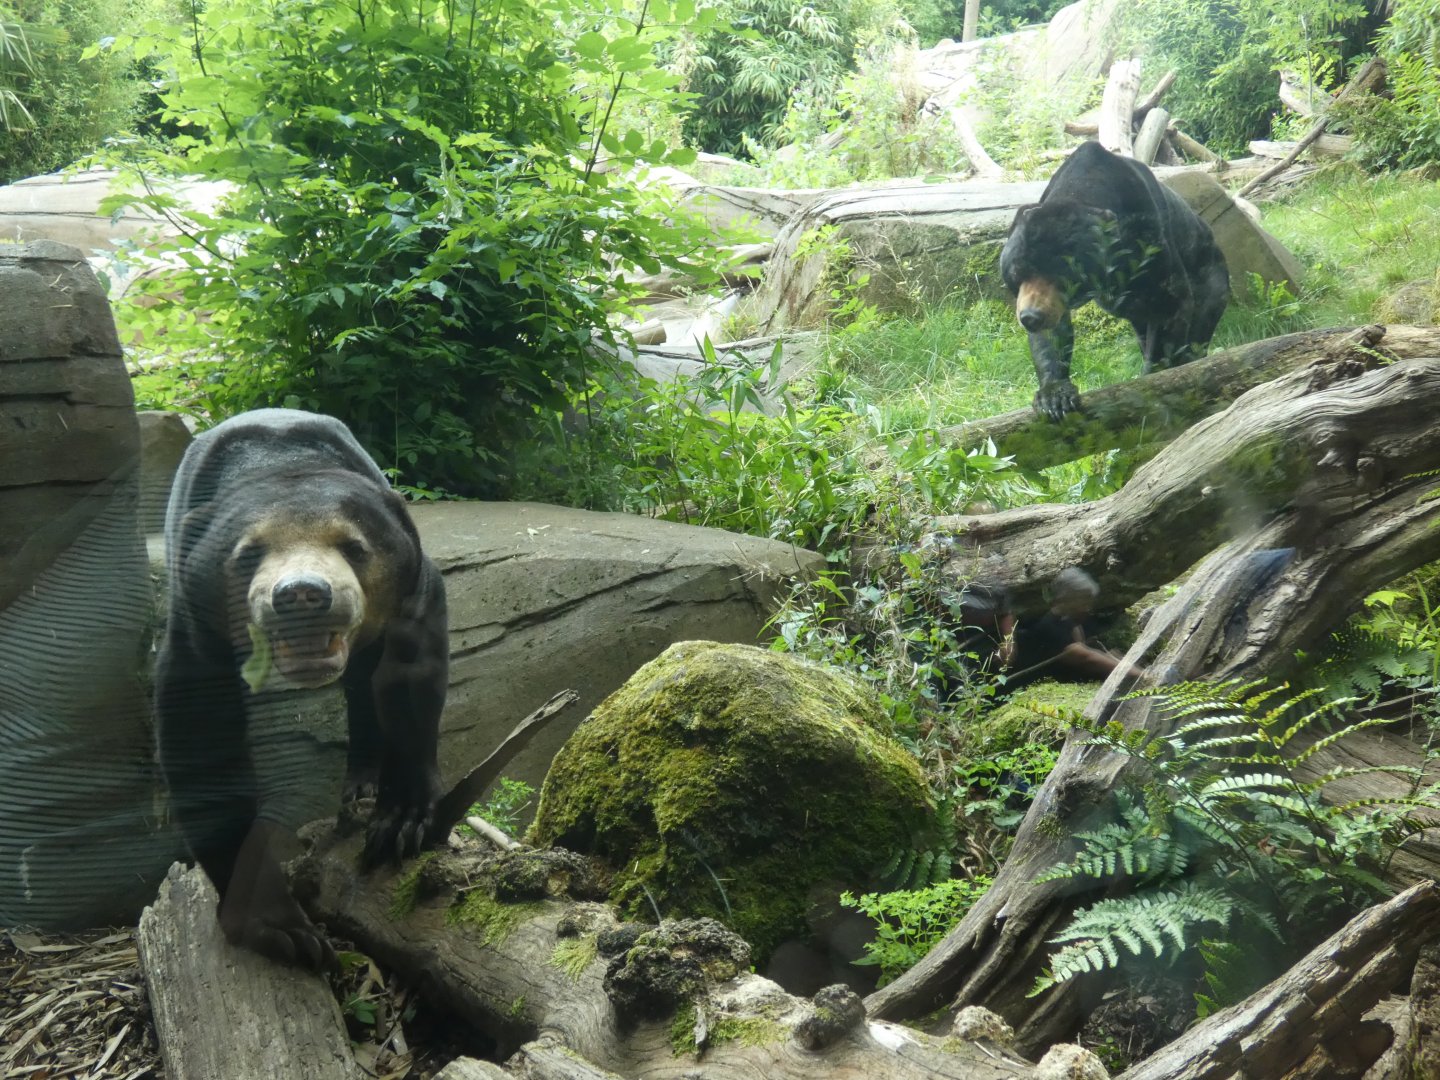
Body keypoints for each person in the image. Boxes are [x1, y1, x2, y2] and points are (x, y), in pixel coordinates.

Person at [1006, 568, 1146, 687]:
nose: (1088, 608)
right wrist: (1142, 676)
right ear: (1067, 598)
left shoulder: (1068, 620)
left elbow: (1092, 651)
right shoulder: (1049, 626)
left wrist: (1119, 659)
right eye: (1084, 601)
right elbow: (1086, 657)